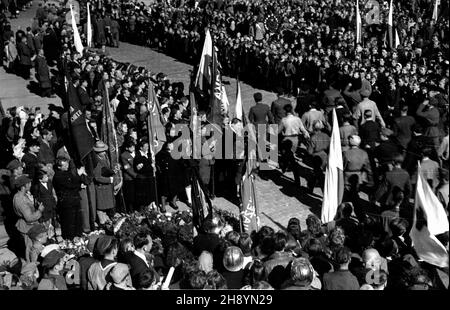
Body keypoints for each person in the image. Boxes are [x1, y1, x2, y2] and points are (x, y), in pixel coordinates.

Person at [52, 157, 84, 240]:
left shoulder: (67, 173)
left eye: (67, 164)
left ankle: (78, 236)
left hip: (74, 200)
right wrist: (78, 177)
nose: (67, 166)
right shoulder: (58, 176)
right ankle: (70, 239)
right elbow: (70, 186)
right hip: (67, 202)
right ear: (59, 167)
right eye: (65, 165)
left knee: (77, 220)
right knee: (69, 222)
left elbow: (74, 182)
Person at [13, 175, 44, 256]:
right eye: (29, 183)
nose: (30, 185)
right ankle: (31, 266)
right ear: (24, 186)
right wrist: (40, 210)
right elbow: (29, 218)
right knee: (30, 250)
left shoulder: (22, 195)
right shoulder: (20, 199)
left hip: (28, 226)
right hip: (27, 228)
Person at [92, 141, 115, 224]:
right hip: (101, 188)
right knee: (101, 208)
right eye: (102, 151)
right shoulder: (97, 162)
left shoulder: (104, 158)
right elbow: (97, 177)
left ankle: (106, 222)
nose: (104, 152)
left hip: (105, 188)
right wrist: (109, 180)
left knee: (105, 207)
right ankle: (103, 223)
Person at [133, 139, 156, 211]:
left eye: (147, 146)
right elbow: (139, 169)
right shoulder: (137, 156)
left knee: (150, 195)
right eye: (146, 147)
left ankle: (150, 207)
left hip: (149, 178)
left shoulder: (148, 154)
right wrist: (150, 166)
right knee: (144, 197)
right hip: (143, 179)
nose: (147, 148)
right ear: (141, 147)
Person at [120, 139, 137, 213]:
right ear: (127, 148)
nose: (133, 148)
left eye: (133, 147)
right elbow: (127, 168)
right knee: (130, 195)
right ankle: (130, 210)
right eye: (131, 147)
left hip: (136, 176)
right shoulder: (124, 155)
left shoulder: (135, 153)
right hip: (129, 178)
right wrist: (135, 175)